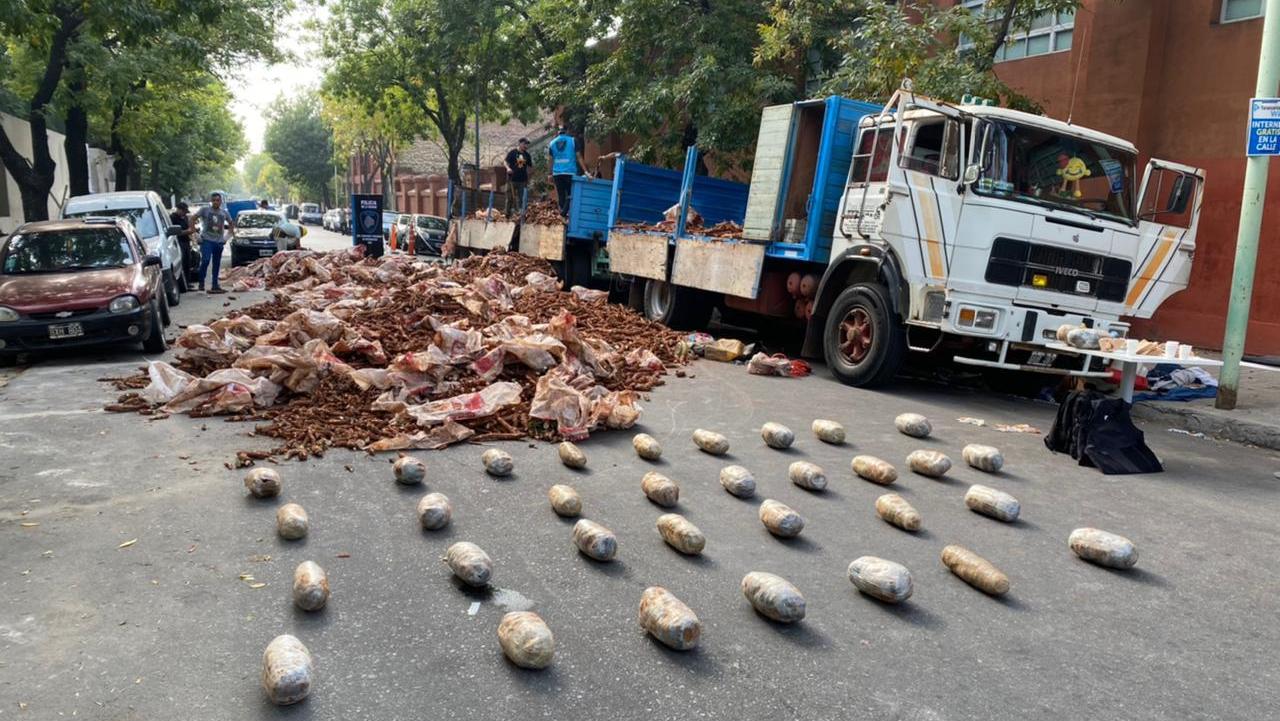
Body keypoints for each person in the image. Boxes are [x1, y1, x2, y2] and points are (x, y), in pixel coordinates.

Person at [194, 191, 235, 293]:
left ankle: (215, 285)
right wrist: (195, 234)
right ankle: (201, 282)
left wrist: (228, 236)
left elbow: (231, 223)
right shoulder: (205, 210)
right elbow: (192, 219)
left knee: (216, 264)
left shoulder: (224, 212)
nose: (216, 202)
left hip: (218, 242)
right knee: (205, 261)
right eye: (214, 200)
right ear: (211, 201)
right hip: (207, 240)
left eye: (218, 200)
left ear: (221, 201)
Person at [548, 126, 589, 217]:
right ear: (566, 131)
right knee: (571, 194)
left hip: (557, 173)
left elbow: (550, 160)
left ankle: (563, 214)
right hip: (570, 172)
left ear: (558, 132)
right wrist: (585, 171)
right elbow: (579, 157)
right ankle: (564, 214)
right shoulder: (573, 141)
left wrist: (549, 174)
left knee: (561, 195)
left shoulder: (552, 143)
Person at [168, 202, 198, 284]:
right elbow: (174, 232)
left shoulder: (184, 217)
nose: (185, 213)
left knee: (187, 262)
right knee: (181, 262)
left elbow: (189, 227)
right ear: (179, 210)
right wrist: (186, 231)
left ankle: (188, 282)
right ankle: (182, 282)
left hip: (186, 242)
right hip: (178, 242)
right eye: (184, 211)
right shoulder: (173, 218)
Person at [504, 138, 532, 217]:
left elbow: (530, 167)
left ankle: (522, 216)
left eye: (527, 144)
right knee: (510, 198)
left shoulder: (527, 155)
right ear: (519, 143)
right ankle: (507, 215)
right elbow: (505, 162)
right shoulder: (512, 153)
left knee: (522, 199)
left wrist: (529, 177)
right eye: (524, 144)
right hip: (511, 180)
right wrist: (508, 168)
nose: (526, 146)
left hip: (522, 181)